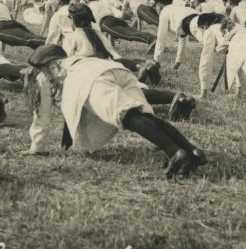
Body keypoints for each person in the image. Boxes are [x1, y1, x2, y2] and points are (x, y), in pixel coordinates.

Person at [26, 45, 206, 178]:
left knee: (126, 116)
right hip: (115, 70)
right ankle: (191, 150)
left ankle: (175, 152)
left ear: (46, 66)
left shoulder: (42, 77)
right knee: (143, 116)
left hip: (92, 80)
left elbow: (42, 116)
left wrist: (37, 147)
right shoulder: (76, 60)